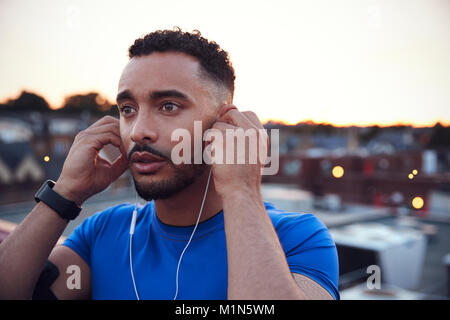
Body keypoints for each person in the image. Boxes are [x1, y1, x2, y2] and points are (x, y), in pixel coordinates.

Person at [0, 28, 339, 300]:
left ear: (226, 122)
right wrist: (66, 194)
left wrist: (240, 191)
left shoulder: (297, 238)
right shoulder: (104, 232)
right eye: (127, 109)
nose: (139, 132)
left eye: (169, 106)